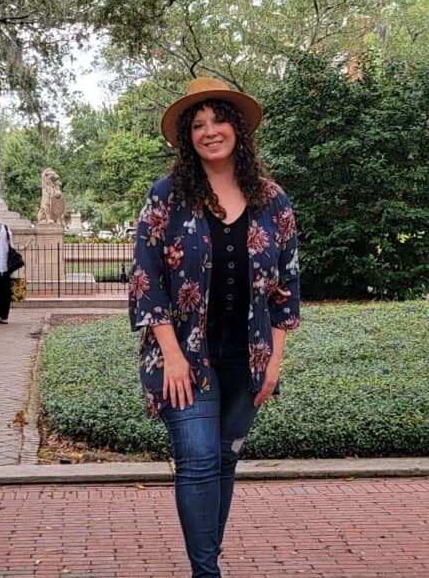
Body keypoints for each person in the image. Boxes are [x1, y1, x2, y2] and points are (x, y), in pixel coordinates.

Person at [128, 77, 301, 578]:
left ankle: (207, 561)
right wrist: (173, 355)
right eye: (197, 125)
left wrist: (275, 358)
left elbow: (286, 285)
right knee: (199, 460)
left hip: (246, 359)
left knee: (224, 462)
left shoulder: (272, 201)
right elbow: (144, 277)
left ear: (238, 129)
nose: (209, 131)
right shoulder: (167, 197)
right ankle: (207, 572)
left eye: (217, 119)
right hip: (184, 358)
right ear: (188, 138)